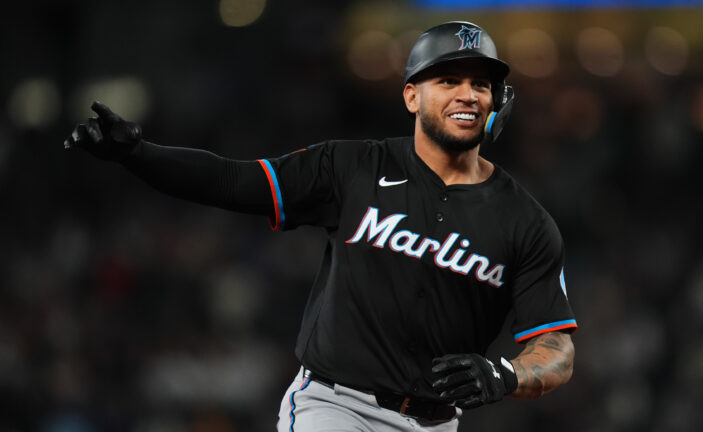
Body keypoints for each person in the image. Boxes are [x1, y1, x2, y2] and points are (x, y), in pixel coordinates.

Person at [65, 21, 578, 432]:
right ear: (411, 96)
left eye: (480, 84)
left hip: (436, 423)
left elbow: (556, 349)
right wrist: (139, 154)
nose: (467, 94)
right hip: (336, 407)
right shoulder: (352, 168)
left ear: (496, 102)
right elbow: (232, 181)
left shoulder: (526, 222)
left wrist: (505, 374)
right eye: (448, 80)